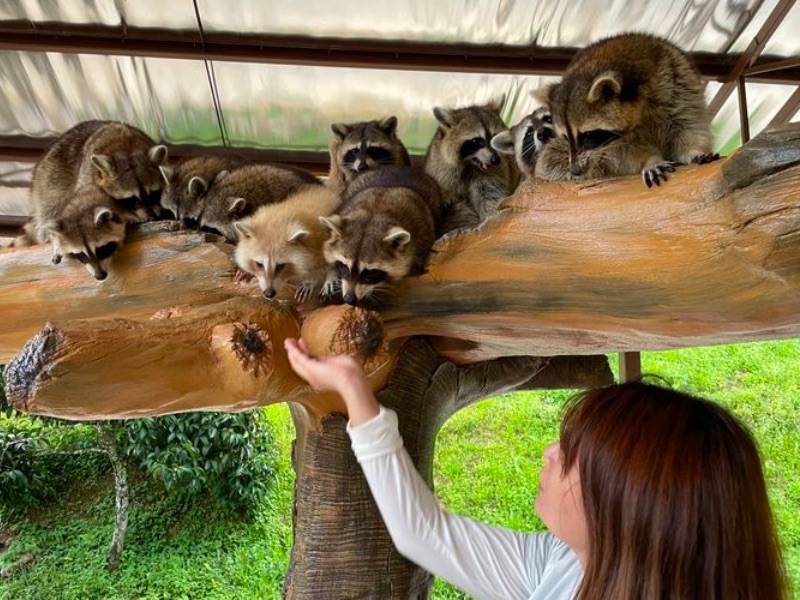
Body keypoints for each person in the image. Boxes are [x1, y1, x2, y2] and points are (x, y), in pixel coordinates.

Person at [284, 338, 790, 600]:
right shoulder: (568, 563)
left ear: (630, 504)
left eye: (571, 455)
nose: (549, 452)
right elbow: (425, 534)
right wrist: (355, 393)